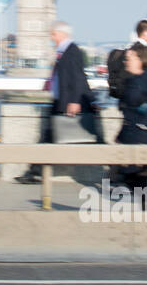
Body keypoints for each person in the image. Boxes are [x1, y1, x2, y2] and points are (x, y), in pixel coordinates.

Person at [18, 20, 101, 184]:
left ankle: (116, 172)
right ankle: (34, 172)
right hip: (60, 101)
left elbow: (78, 78)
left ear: (62, 34)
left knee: (93, 140)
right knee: (47, 137)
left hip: (70, 103)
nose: (51, 38)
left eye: (53, 34)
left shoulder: (72, 51)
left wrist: (75, 101)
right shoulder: (63, 52)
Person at [113, 44, 147, 196]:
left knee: (143, 178)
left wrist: (143, 124)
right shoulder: (128, 79)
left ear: (139, 59)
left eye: (129, 58)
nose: (126, 61)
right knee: (135, 179)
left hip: (144, 136)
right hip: (130, 135)